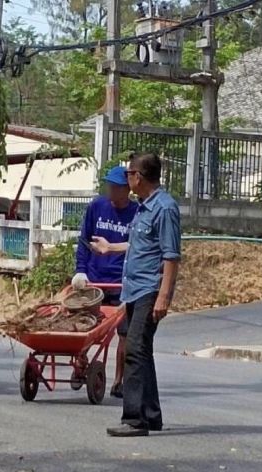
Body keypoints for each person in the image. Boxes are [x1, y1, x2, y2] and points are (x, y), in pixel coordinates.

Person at [91, 153, 181, 437]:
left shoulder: (164, 209)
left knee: (133, 350)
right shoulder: (144, 207)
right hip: (134, 289)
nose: (127, 178)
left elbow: (170, 256)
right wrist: (111, 247)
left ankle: (134, 420)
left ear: (138, 177)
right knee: (142, 351)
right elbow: (140, 245)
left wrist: (164, 296)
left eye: (129, 173)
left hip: (149, 290)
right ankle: (151, 415)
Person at [72, 166, 138, 398]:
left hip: (121, 283)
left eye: (114, 186)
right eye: (108, 185)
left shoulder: (137, 214)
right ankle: (80, 365)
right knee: (86, 327)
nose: (109, 190)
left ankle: (119, 381)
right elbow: (83, 241)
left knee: (124, 335)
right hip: (94, 280)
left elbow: (139, 249)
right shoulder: (96, 207)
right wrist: (81, 271)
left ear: (126, 189)